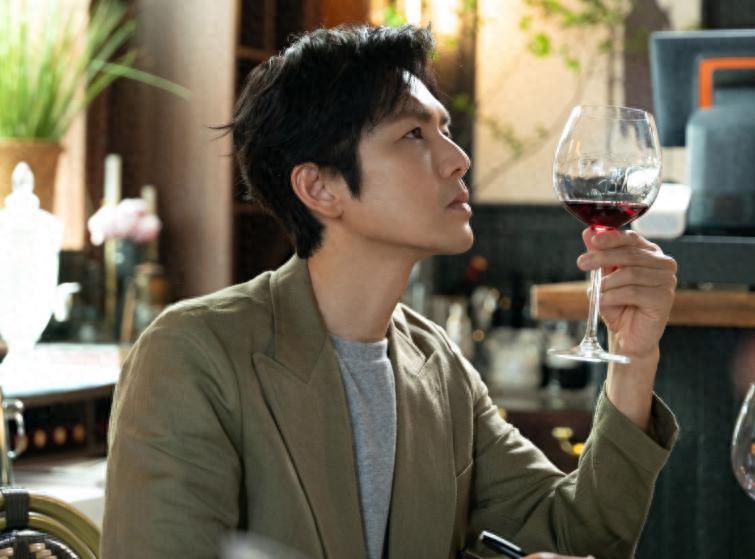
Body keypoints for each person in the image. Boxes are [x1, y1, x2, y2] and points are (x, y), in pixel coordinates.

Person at [101, 24, 679, 559]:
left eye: (444, 130)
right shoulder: (192, 355)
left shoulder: (439, 367)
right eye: (413, 134)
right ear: (320, 188)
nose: (458, 159)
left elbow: (576, 535)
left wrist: (633, 356)